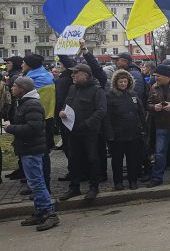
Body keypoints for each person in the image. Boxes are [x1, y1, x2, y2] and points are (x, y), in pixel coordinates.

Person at [4, 77, 60, 231]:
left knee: (36, 182)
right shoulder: (24, 102)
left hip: (32, 149)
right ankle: (40, 212)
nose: (12, 88)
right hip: (27, 148)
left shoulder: (32, 104)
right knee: (34, 182)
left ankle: (50, 214)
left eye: (15, 85)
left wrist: (10, 128)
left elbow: (32, 128)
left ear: (23, 88)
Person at [58, 64, 107, 201]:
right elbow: (67, 105)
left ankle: (94, 187)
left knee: (92, 159)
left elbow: (101, 111)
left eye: (76, 73)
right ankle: (74, 188)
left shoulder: (97, 90)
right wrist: (62, 112)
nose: (72, 75)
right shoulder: (72, 88)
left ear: (85, 74)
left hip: (90, 132)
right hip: (72, 132)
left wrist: (86, 124)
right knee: (74, 159)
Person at [104, 69, 147, 191]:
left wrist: (143, 127)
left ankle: (132, 181)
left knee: (132, 159)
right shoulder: (109, 96)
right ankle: (118, 182)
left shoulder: (133, 94)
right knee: (117, 160)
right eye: (120, 82)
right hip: (117, 134)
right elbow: (106, 117)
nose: (123, 84)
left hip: (133, 133)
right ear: (115, 83)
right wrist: (109, 133)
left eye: (125, 81)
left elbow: (140, 112)